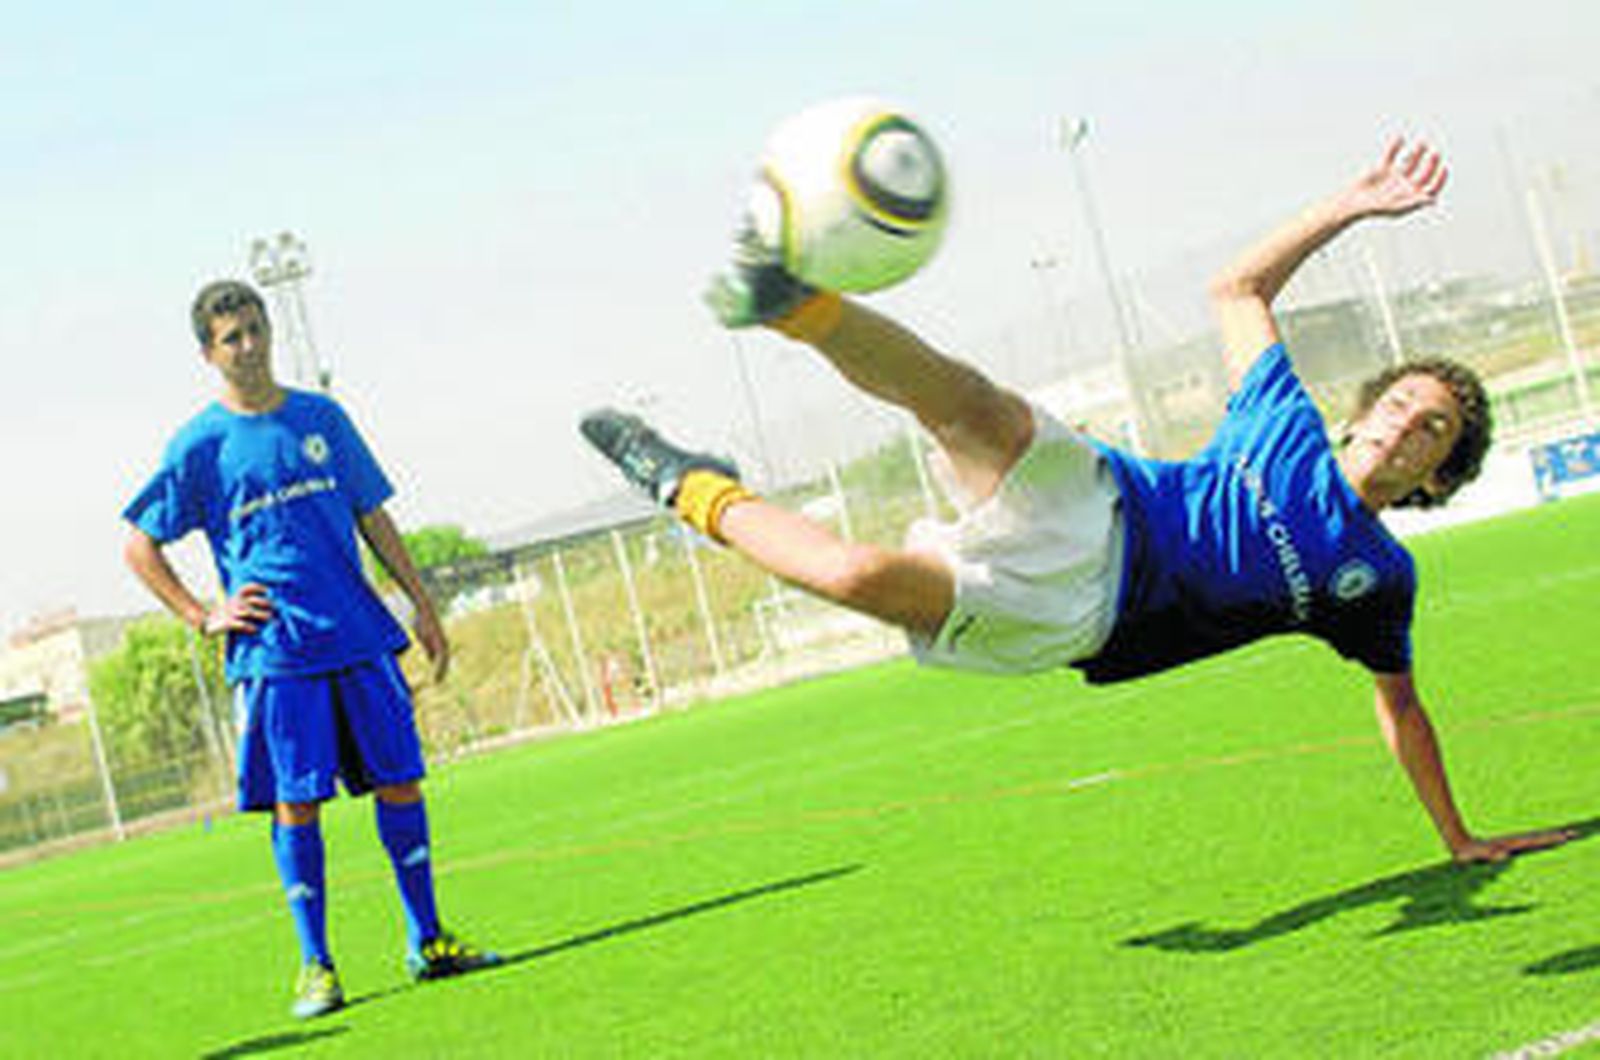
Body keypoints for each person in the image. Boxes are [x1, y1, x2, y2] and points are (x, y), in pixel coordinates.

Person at [581, 138, 1574, 866]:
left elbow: (1398, 705)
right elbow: (1237, 290)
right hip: (1111, 500)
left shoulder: (1377, 578)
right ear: (1366, 409)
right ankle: (794, 301)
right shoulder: (1283, 417)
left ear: (1437, 477)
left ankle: (686, 481)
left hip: (1082, 616)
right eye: (1402, 400)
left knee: (857, 576)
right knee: (970, 406)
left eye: (1432, 429)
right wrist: (1347, 206)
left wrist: (1457, 837)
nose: (1405, 422)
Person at [123, 280, 498, 1020]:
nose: (250, 345)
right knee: (297, 804)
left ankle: (429, 941)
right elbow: (140, 546)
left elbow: (373, 515)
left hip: (359, 637)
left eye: (256, 328)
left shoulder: (321, 417)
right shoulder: (198, 445)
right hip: (277, 652)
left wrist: (421, 604)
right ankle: (316, 966)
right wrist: (204, 614)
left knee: (401, 783)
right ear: (208, 353)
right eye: (232, 337)